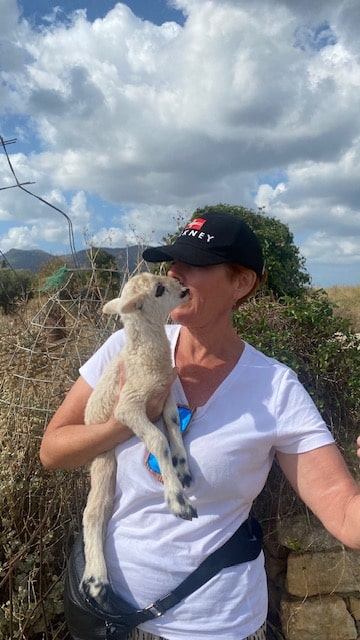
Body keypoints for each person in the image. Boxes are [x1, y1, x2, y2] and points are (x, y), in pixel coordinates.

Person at [40, 210, 360, 640]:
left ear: (241, 283)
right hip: (113, 618)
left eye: (195, 263)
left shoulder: (276, 389)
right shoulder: (123, 346)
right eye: (172, 262)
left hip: (217, 626)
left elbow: (344, 514)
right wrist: (124, 423)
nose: (175, 271)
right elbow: (53, 450)